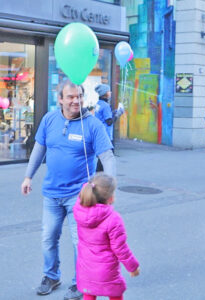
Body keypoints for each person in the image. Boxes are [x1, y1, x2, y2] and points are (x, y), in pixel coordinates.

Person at [21, 79, 116, 300]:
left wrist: (109, 189)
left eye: (79, 96)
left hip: (81, 196)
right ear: (61, 99)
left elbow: (108, 157)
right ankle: (51, 276)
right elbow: (39, 149)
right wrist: (28, 176)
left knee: (80, 241)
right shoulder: (49, 119)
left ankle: (80, 283)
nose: (76, 101)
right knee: (48, 238)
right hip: (51, 194)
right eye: (71, 97)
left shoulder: (92, 124)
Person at [73, 173, 140, 300]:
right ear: (110, 198)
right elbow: (120, 248)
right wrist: (132, 267)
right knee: (115, 294)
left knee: (89, 293)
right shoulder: (113, 219)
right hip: (106, 270)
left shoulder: (79, 211)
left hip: (85, 267)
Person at [94, 84, 124, 171]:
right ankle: (102, 180)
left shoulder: (99, 103)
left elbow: (105, 116)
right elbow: (109, 122)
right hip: (106, 136)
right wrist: (118, 114)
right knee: (107, 159)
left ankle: (98, 177)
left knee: (102, 159)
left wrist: (115, 112)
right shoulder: (106, 106)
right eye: (108, 91)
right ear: (105, 94)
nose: (110, 92)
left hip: (100, 135)